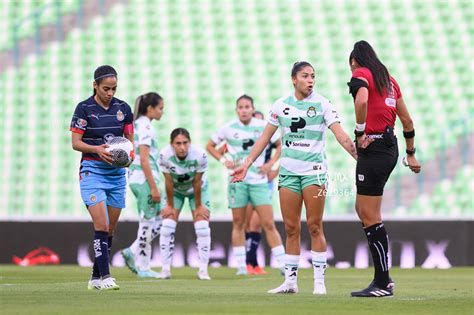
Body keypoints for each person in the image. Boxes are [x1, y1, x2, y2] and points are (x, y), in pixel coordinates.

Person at [232, 62, 357, 294]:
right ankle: (290, 282)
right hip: (288, 173)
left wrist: (358, 155)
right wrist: (246, 164)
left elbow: (340, 134)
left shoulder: (323, 104)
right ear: (294, 79)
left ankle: (319, 283)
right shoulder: (280, 105)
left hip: (315, 173)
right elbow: (264, 139)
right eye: (305, 76)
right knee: (291, 228)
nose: (310, 80)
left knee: (314, 225)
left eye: (313, 76)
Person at [347, 40, 421, 297]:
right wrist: (411, 154)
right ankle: (382, 278)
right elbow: (408, 120)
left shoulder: (360, 73)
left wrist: (359, 133)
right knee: (364, 210)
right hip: (391, 147)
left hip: (375, 145)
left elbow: (362, 102)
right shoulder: (389, 80)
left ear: (354, 61)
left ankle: (383, 282)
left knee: (369, 214)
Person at [70, 65, 134, 290]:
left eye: (114, 89)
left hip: (116, 175)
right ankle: (106, 277)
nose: (110, 93)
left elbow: (129, 141)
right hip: (92, 171)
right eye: (106, 88)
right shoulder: (84, 108)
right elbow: (76, 143)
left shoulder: (124, 109)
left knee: (111, 230)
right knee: (102, 225)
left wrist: (128, 156)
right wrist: (97, 150)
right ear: (95, 85)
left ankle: (94, 278)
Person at [207, 95, 286, 276]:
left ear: (252, 109)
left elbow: (281, 144)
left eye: (247, 107)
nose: (244, 110)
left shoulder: (263, 126)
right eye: (240, 107)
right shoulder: (228, 128)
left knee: (268, 223)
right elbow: (210, 145)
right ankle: (242, 266)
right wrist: (223, 160)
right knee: (239, 223)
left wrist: (271, 164)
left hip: (259, 181)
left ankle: (283, 264)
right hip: (237, 181)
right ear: (237, 110)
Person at [158, 128, 212, 280]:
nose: (182, 147)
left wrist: (199, 206)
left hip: (198, 189)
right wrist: (169, 205)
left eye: (185, 143)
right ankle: (165, 269)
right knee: (167, 226)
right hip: (175, 191)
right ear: (171, 144)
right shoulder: (164, 155)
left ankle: (203, 270)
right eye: (178, 143)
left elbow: (197, 181)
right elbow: (168, 181)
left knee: (203, 227)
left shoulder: (200, 155)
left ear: (190, 143)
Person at [121, 92, 164, 278]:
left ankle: (134, 252)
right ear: (150, 109)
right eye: (160, 108)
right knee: (148, 220)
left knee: (159, 219)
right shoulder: (146, 127)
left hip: (137, 177)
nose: (163, 112)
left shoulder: (136, 125)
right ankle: (143, 266)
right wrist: (153, 187)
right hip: (145, 179)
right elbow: (145, 160)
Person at [245, 110, 280, 275]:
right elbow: (225, 148)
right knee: (248, 223)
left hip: (263, 181)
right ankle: (251, 263)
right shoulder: (246, 137)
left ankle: (251, 262)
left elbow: (284, 148)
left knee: (258, 222)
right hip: (245, 181)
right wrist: (228, 161)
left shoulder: (270, 138)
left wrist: (274, 169)